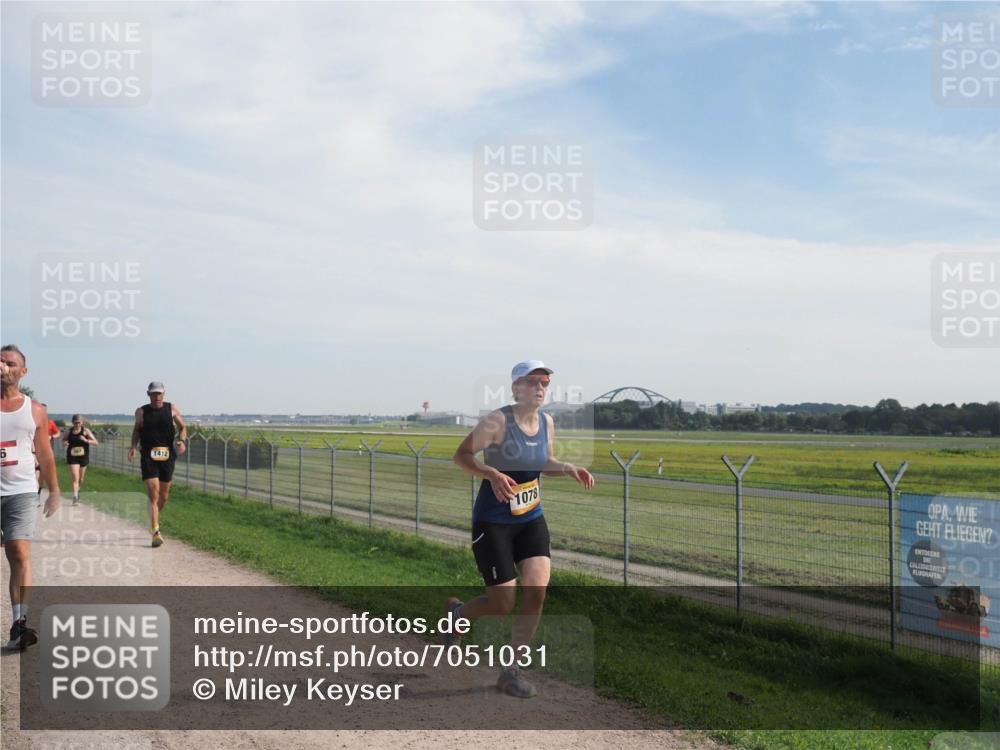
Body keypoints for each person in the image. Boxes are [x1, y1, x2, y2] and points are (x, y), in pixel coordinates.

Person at [445, 360, 595, 698]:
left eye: (544, 382)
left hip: (530, 518)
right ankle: (457, 615)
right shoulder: (497, 421)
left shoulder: (547, 421)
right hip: (493, 522)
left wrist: (568, 467)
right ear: (515, 388)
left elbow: (542, 461)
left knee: (537, 590)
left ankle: (511, 671)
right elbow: (461, 455)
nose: (539, 388)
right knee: (502, 603)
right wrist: (492, 474)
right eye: (531, 382)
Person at [0, 344, 62, 651]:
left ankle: (19, 624)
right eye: (0, 362)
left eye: (10, 363)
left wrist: (55, 490)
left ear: (23, 372)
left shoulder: (35, 410)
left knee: (19, 553)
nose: (4, 366)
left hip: (21, 491)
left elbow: (47, 455)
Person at [127, 382, 186, 548]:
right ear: (148, 394)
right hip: (148, 455)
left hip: (167, 455)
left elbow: (183, 427)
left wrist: (181, 441)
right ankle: (155, 532)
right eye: (154, 394)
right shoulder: (141, 411)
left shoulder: (172, 409)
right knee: (154, 492)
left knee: (164, 496)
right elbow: (137, 430)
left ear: (164, 394)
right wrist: (133, 446)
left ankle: (153, 519)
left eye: (159, 393)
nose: (157, 397)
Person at [63, 414, 98, 505]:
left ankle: (77, 492)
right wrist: (65, 443)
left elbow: (96, 442)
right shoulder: (69, 431)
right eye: (75, 423)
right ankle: (75, 497)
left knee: (81, 479)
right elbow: (63, 440)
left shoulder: (86, 431)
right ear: (72, 423)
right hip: (73, 457)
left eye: (78, 423)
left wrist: (86, 440)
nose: (77, 425)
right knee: (75, 476)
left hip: (83, 457)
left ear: (82, 423)